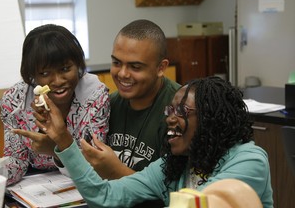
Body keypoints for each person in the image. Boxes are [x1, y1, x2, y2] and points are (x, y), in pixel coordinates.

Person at [36, 76, 273, 208]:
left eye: (181, 111)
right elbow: (104, 195)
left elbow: (204, 203)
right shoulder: (174, 165)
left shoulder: (249, 160)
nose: (170, 118)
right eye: (169, 110)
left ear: (211, 119)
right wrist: (64, 140)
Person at [0, 24, 110, 185]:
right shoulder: (14, 100)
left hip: (83, 183)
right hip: (33, 185)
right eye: (44, 73)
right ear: (32, 74)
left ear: (78, 64)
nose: (58, 81)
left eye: (65, 69)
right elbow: (16, 161)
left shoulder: (96, 95)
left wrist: (57, 149)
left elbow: (97, 164)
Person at [81, 19, 181, 181]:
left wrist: (115, 170)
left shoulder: (180, 112)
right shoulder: (106, 105)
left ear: (161, 68)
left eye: (135, 67)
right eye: (116, 63)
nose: (122, 74)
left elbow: (173, 192)